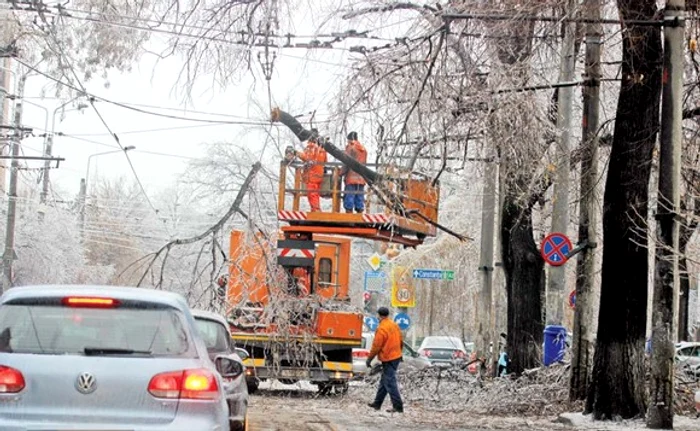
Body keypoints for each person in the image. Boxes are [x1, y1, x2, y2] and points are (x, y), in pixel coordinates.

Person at [366, 307, 404, 413]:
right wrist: (399, 353)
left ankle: (398, 406)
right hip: (396, 356)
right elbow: (401, 340)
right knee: (384, 381)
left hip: (388, 358)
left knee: (390, 382)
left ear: (379, 315)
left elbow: (376, 346)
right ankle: (377, 403)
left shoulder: (382, 328)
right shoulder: (394, 325)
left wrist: (369, 359)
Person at [295, 130, 327, 212]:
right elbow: (325, 161)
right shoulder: (322, 150)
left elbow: (307, 158)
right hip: (319, 175)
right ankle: (316, 209)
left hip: (311, 175)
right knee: (315, 193)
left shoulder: (311, 148)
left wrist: (296, 153)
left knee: (311, 193)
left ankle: (315, 209)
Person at [340, 131, 367, 213]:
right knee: (359, 197)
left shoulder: (350, 148)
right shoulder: (363, 149)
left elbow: (346, 162)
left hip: (351, 177)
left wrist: (340, 173)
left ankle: (349, 215)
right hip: (361, 178)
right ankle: (359, 214)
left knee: (349, 196)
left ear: (349, 139)